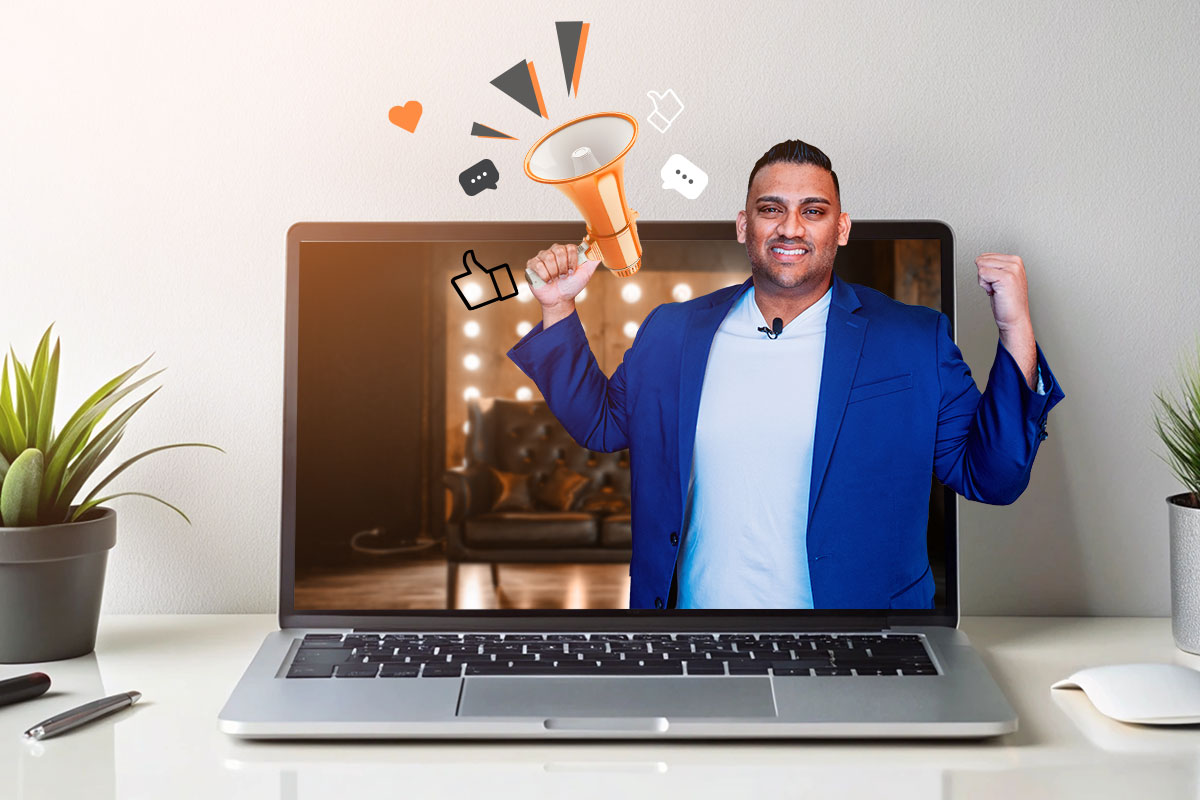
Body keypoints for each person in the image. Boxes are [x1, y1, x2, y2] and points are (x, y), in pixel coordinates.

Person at [507, 139, 1065, 610]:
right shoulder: (672, 331)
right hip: (695, 639)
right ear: (744, 225)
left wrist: (1015, 328)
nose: (791, 227)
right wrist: (557, 309)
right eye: (771, 209)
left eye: (814, 211)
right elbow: (602, 425)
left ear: (841, 228)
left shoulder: (913, 338)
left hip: (861, 642)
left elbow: (992, 478)